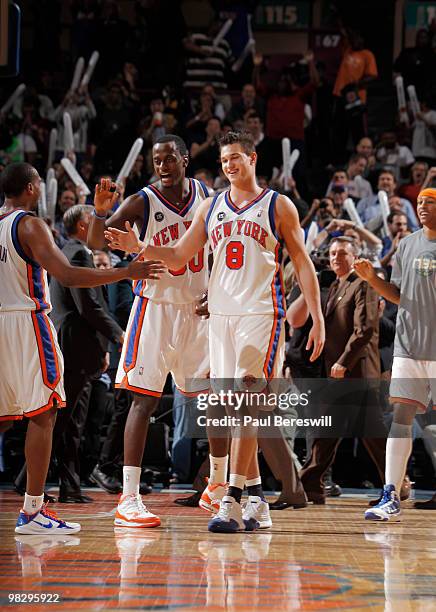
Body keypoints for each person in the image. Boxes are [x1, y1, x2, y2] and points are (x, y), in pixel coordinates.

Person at [105, 131, 325, 533]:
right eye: (225, 160)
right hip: (217, 318)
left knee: (245, 403)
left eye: (236, 158)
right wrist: (141, 246)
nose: (229, 165)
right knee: (229, 409)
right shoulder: (211, 207)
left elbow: (303, 262)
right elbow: (177, 254)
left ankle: (231, 497)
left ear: (253, 158)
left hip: (261, 314)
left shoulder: (279, 205)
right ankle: (257, 498)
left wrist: (317, 315)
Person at [0, 162, 165, 535]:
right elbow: (70, 274)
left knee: (8, 418)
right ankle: (32, 511)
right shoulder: (29, 224)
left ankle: (35, 504)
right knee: (44, 414)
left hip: (1, 321)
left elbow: (82, 250)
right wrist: (126, 272)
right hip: (26, 322)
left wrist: (100, 211)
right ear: (32, 187)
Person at [87, 135, 211, 529]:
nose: (162, 166)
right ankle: (129, 497)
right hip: (154, 309)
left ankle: (219, 485)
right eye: (157, 160)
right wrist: (99, 213)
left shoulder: (208, 197)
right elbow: (95, 242)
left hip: (197, 309)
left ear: (185, 159)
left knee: (214, 398)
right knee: (143, 401)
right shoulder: (143, 200)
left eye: (169, 158)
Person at [354, 187, 436, 520]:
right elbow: (398, 295)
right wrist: (372, 279)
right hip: (408, 346)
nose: (423, 207)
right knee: (401, 420)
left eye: (430, 202)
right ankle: (391, 494)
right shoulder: (406, 244)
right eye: (420, 203)